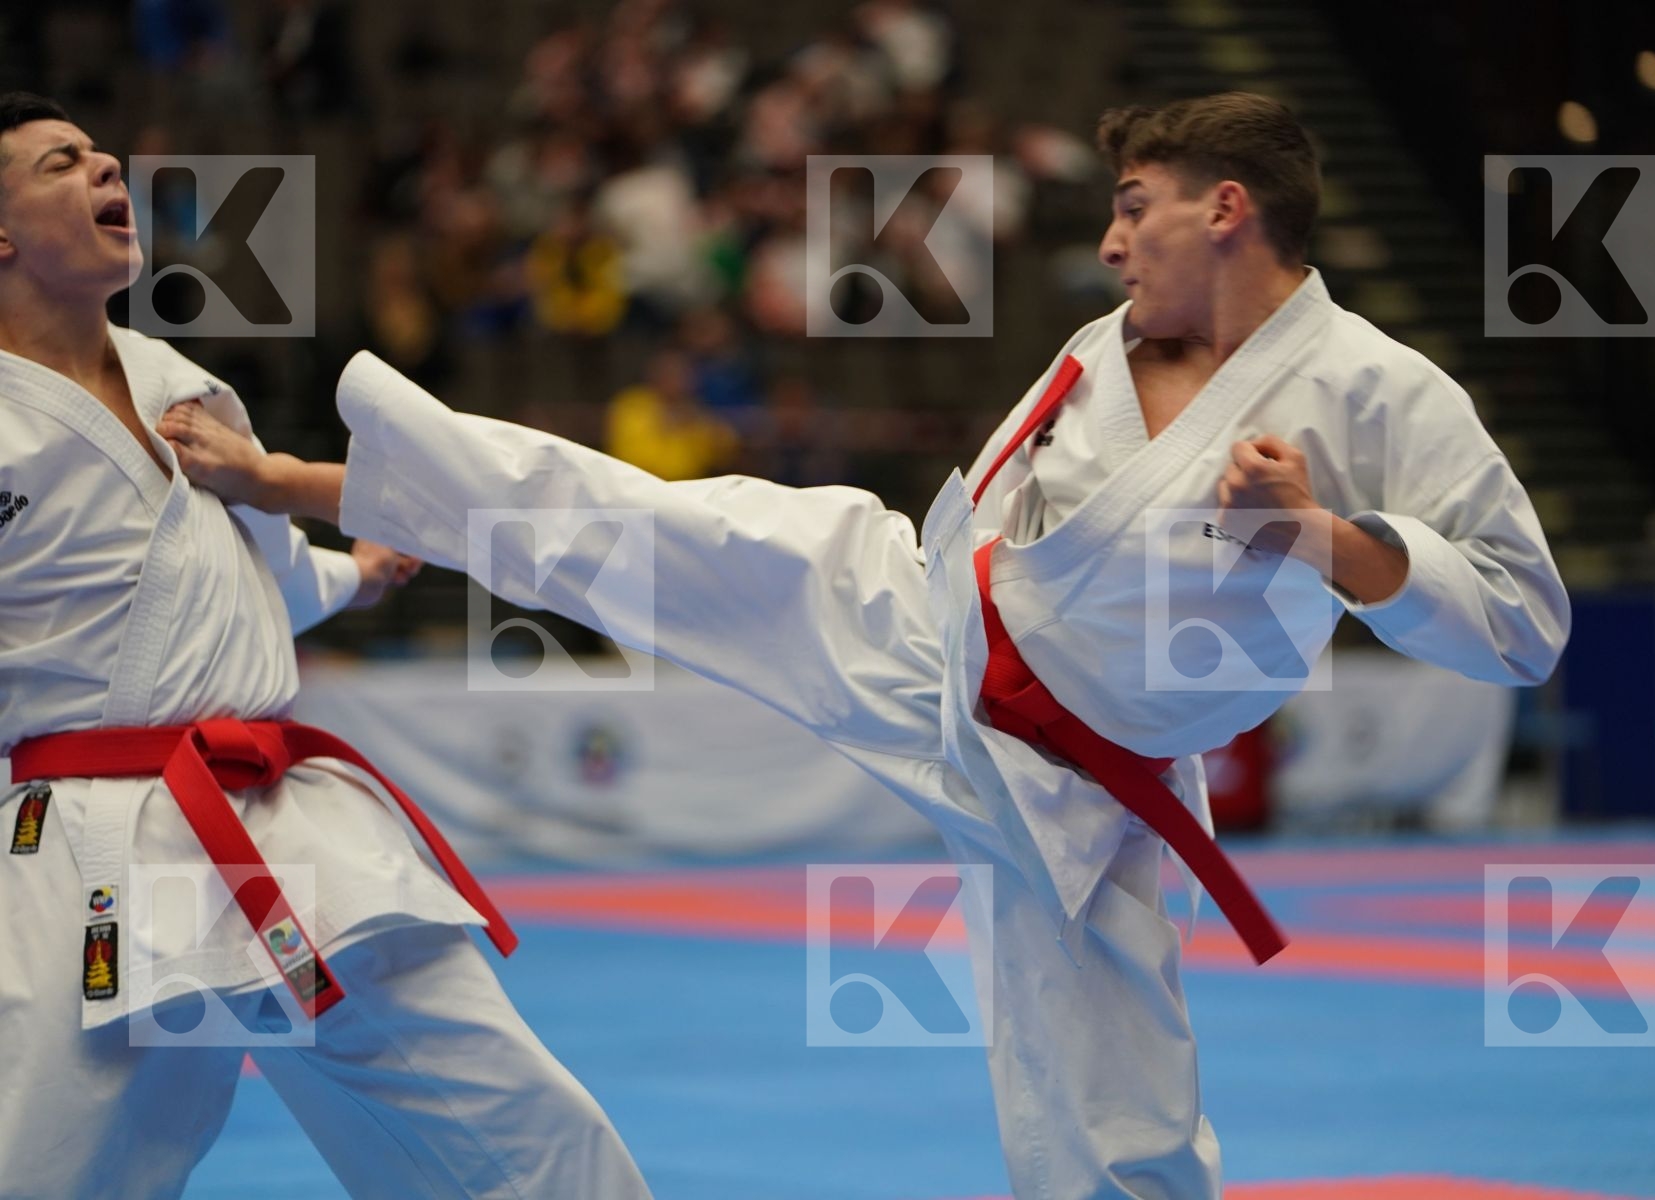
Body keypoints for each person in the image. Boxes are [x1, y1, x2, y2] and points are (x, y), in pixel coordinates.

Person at [166, 93, 1570, 1200]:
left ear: (1228, 207)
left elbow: (1522, 618)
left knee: (1114, 1125)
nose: (1110, 242)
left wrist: (1324, 535)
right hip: (914, 625)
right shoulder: (1106, 339)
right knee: (633, 522)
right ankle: (294, 475)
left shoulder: (1377, 388)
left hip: (1085, 787)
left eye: (1134, 210)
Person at [0, 93, 652, 1199]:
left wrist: (358, 576)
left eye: (104, 154)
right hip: (90, 852)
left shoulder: (188, 386)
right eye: (64, 162)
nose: (107, 167)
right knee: (47, 1167)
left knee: (515, 1125)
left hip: (287, 822)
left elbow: (258, 573)